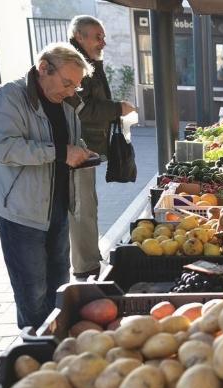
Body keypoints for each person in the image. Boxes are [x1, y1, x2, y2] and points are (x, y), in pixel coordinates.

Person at [0, 43, 96, 328]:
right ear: (44, 68)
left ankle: (57, 341)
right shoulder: (9, 96)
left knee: (59, 284)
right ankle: (34, 349)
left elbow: (63, 143)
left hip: (56, 206)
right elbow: (3, 147)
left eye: (76, 86)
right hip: (20, 211)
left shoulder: (65, 104)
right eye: (67, 83)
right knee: (32, 291)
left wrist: (80, 152)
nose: (70, 91)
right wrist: (59, 152)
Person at [66, 15, 137, 279]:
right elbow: (82, 109)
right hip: (78, 147)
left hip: (86, 148)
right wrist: (117, 108)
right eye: (98, 37)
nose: (103, 42)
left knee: (87, 203)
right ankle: (86, 265)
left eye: (104, 37)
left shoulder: (87, 61)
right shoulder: (74, 64)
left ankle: (88, 258)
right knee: (82, 205)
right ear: (80, 36)